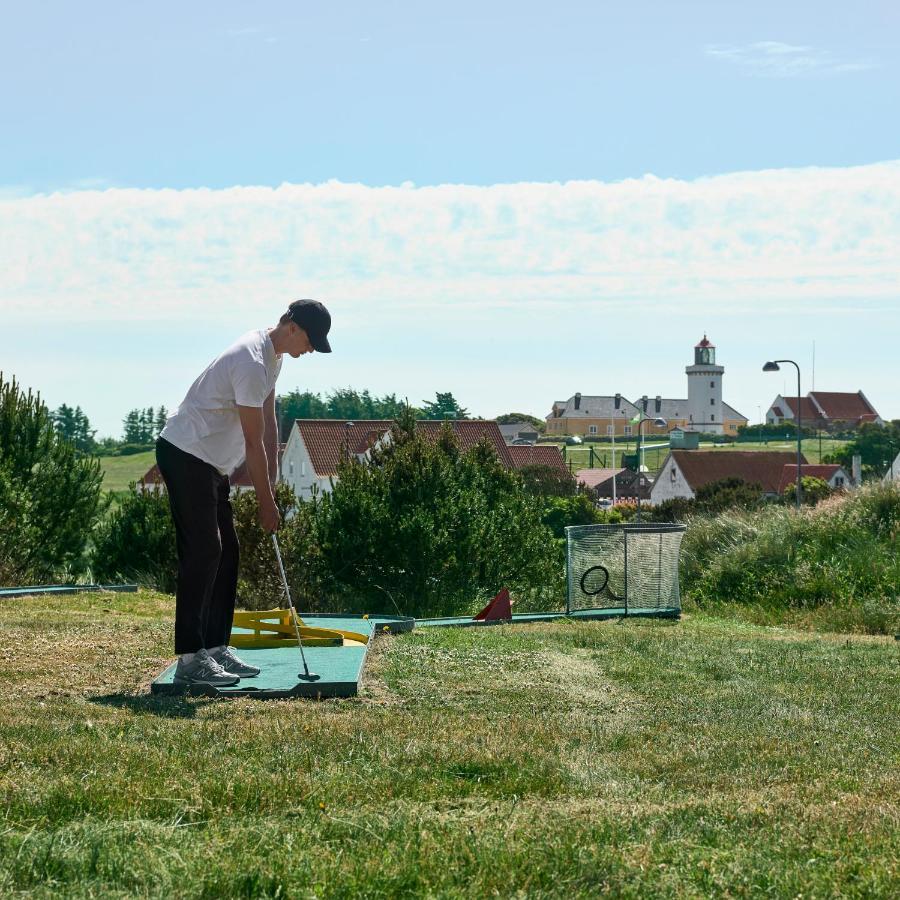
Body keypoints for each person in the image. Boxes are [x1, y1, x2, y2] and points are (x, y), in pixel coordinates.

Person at [155, 299, 332, 688]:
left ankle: (215, 648)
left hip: (210, 462)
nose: (310, 350)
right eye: (310, 341)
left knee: (227, 552)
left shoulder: (273, 358)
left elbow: (267, 422)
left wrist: (272, 472)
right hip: (186, 454)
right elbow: (252, 441)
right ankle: (190, 658)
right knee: (204, 550)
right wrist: (266, 504)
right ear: (291, 326)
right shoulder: (251, 361)